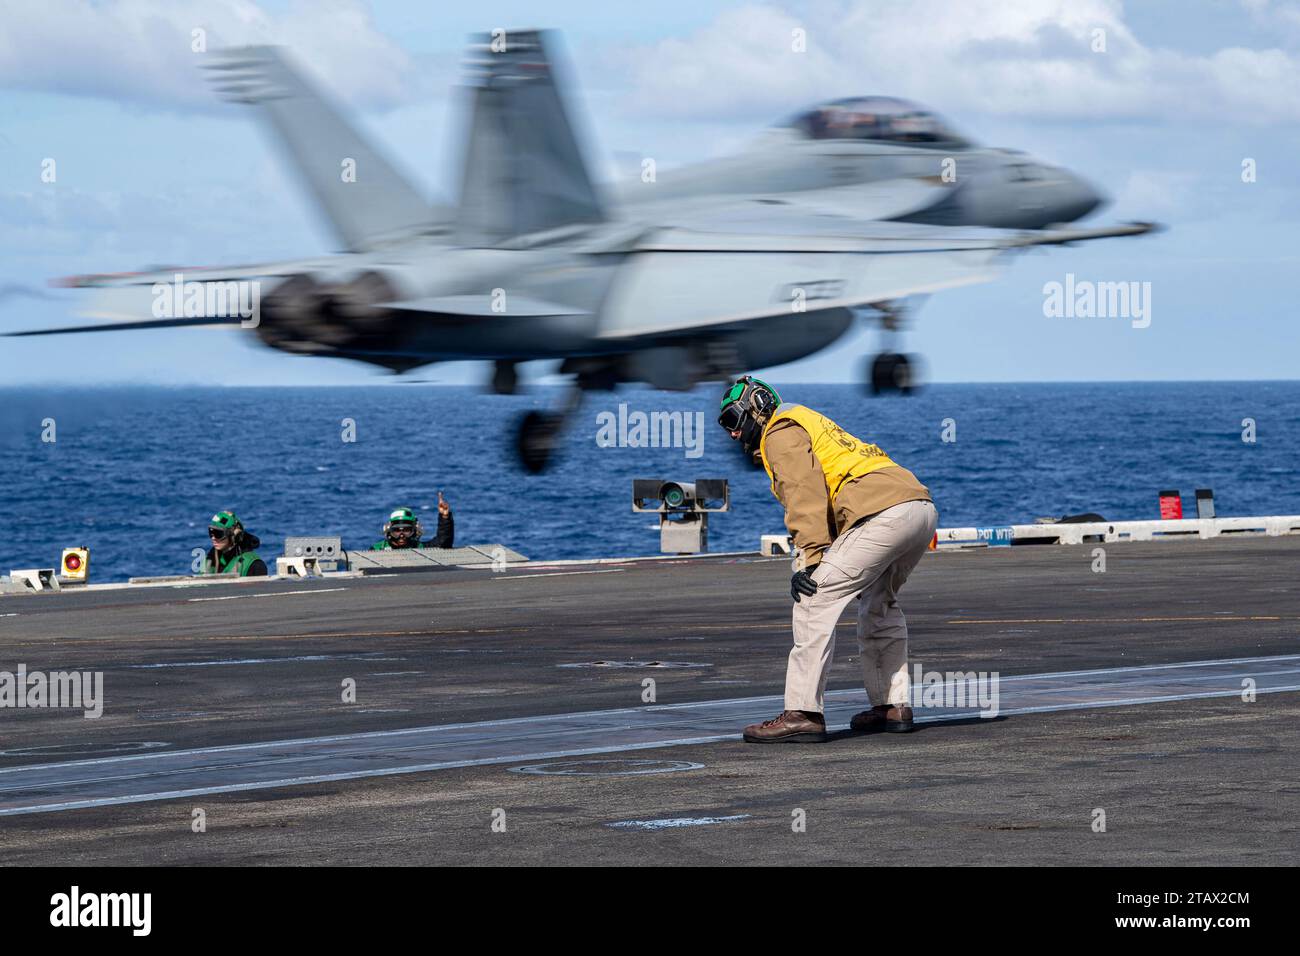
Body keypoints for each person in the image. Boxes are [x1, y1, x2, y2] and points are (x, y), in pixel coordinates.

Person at [717, 375, 938, 743]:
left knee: (814, 595)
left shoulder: (779, 431)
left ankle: (803, 712)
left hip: (882, 513)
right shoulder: (807, 420)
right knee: (878, 604)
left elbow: (806, 491)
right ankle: (892, 706)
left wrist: (811, 560)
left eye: (732, 421)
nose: (733, 435)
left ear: (756, 408)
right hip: (918, 508)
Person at [371, 495, 454, 551]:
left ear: (415, 530)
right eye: (397, 531)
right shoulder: (377, 549)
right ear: (389, 530)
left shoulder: (421, 548)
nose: (402, 535)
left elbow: (443, 543)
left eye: (406, 530)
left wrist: (445, 517)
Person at [201, 511, 267, 576]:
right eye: (211, 533)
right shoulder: (209, 560)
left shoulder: (254, 565)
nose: (213, 538)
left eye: (218, 534)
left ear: (234, 535)